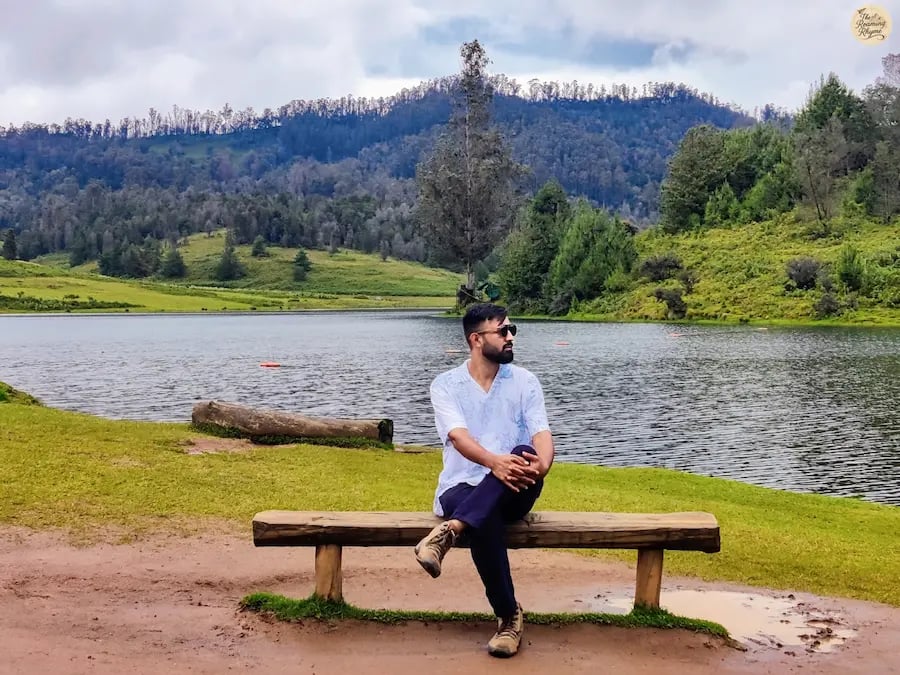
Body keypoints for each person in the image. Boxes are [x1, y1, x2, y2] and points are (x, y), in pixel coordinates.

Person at [414, 302, 555, 658]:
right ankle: (509, 617)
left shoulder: (525, 381)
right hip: (460, 488)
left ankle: (451, 530)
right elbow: (459, 439)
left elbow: (542, 439)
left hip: (517, 488)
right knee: (484, 516)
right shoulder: (446, 385)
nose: (511, 337)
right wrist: (494, 463)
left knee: (522, 449)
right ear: (476, 339)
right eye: (503, 331)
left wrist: (539, 468)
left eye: (512, 330)